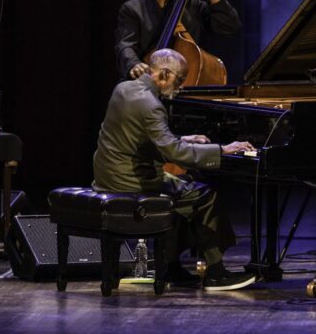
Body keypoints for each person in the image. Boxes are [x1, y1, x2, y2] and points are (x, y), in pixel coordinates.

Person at [92, 48, 256, 291]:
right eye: (179, 80)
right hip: (131, 183)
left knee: (183, 186)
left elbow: (140, 139)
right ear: (164, 74)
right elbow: (174, 153)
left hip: (108, 177)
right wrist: (223, 149)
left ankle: (170, 266)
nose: (179, 88)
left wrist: (183, 139)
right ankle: (216, 273)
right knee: (204, 195)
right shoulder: (151, 105)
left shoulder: (123, 89)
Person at [115, 0, 242, 80]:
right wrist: (134, 64)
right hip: (145, 79)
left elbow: (230, 27)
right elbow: (126, 45)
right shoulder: (133, 9)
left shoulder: (192, 2)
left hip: (185, 80)